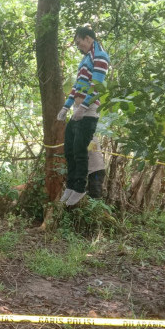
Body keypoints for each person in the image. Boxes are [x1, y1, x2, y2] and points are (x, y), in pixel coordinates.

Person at [57, 26, 110, 206]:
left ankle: (79, 188)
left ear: (88, 38)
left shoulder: (100, 56)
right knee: (70, 148)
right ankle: (71, 185)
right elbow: (78, 85)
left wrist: (84, 106)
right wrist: (67, 107)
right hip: (78, 109)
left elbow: (97, 85)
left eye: (79, 43)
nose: (79, 47)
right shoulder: (86, 58)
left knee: (80, 150)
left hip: (89, 109)